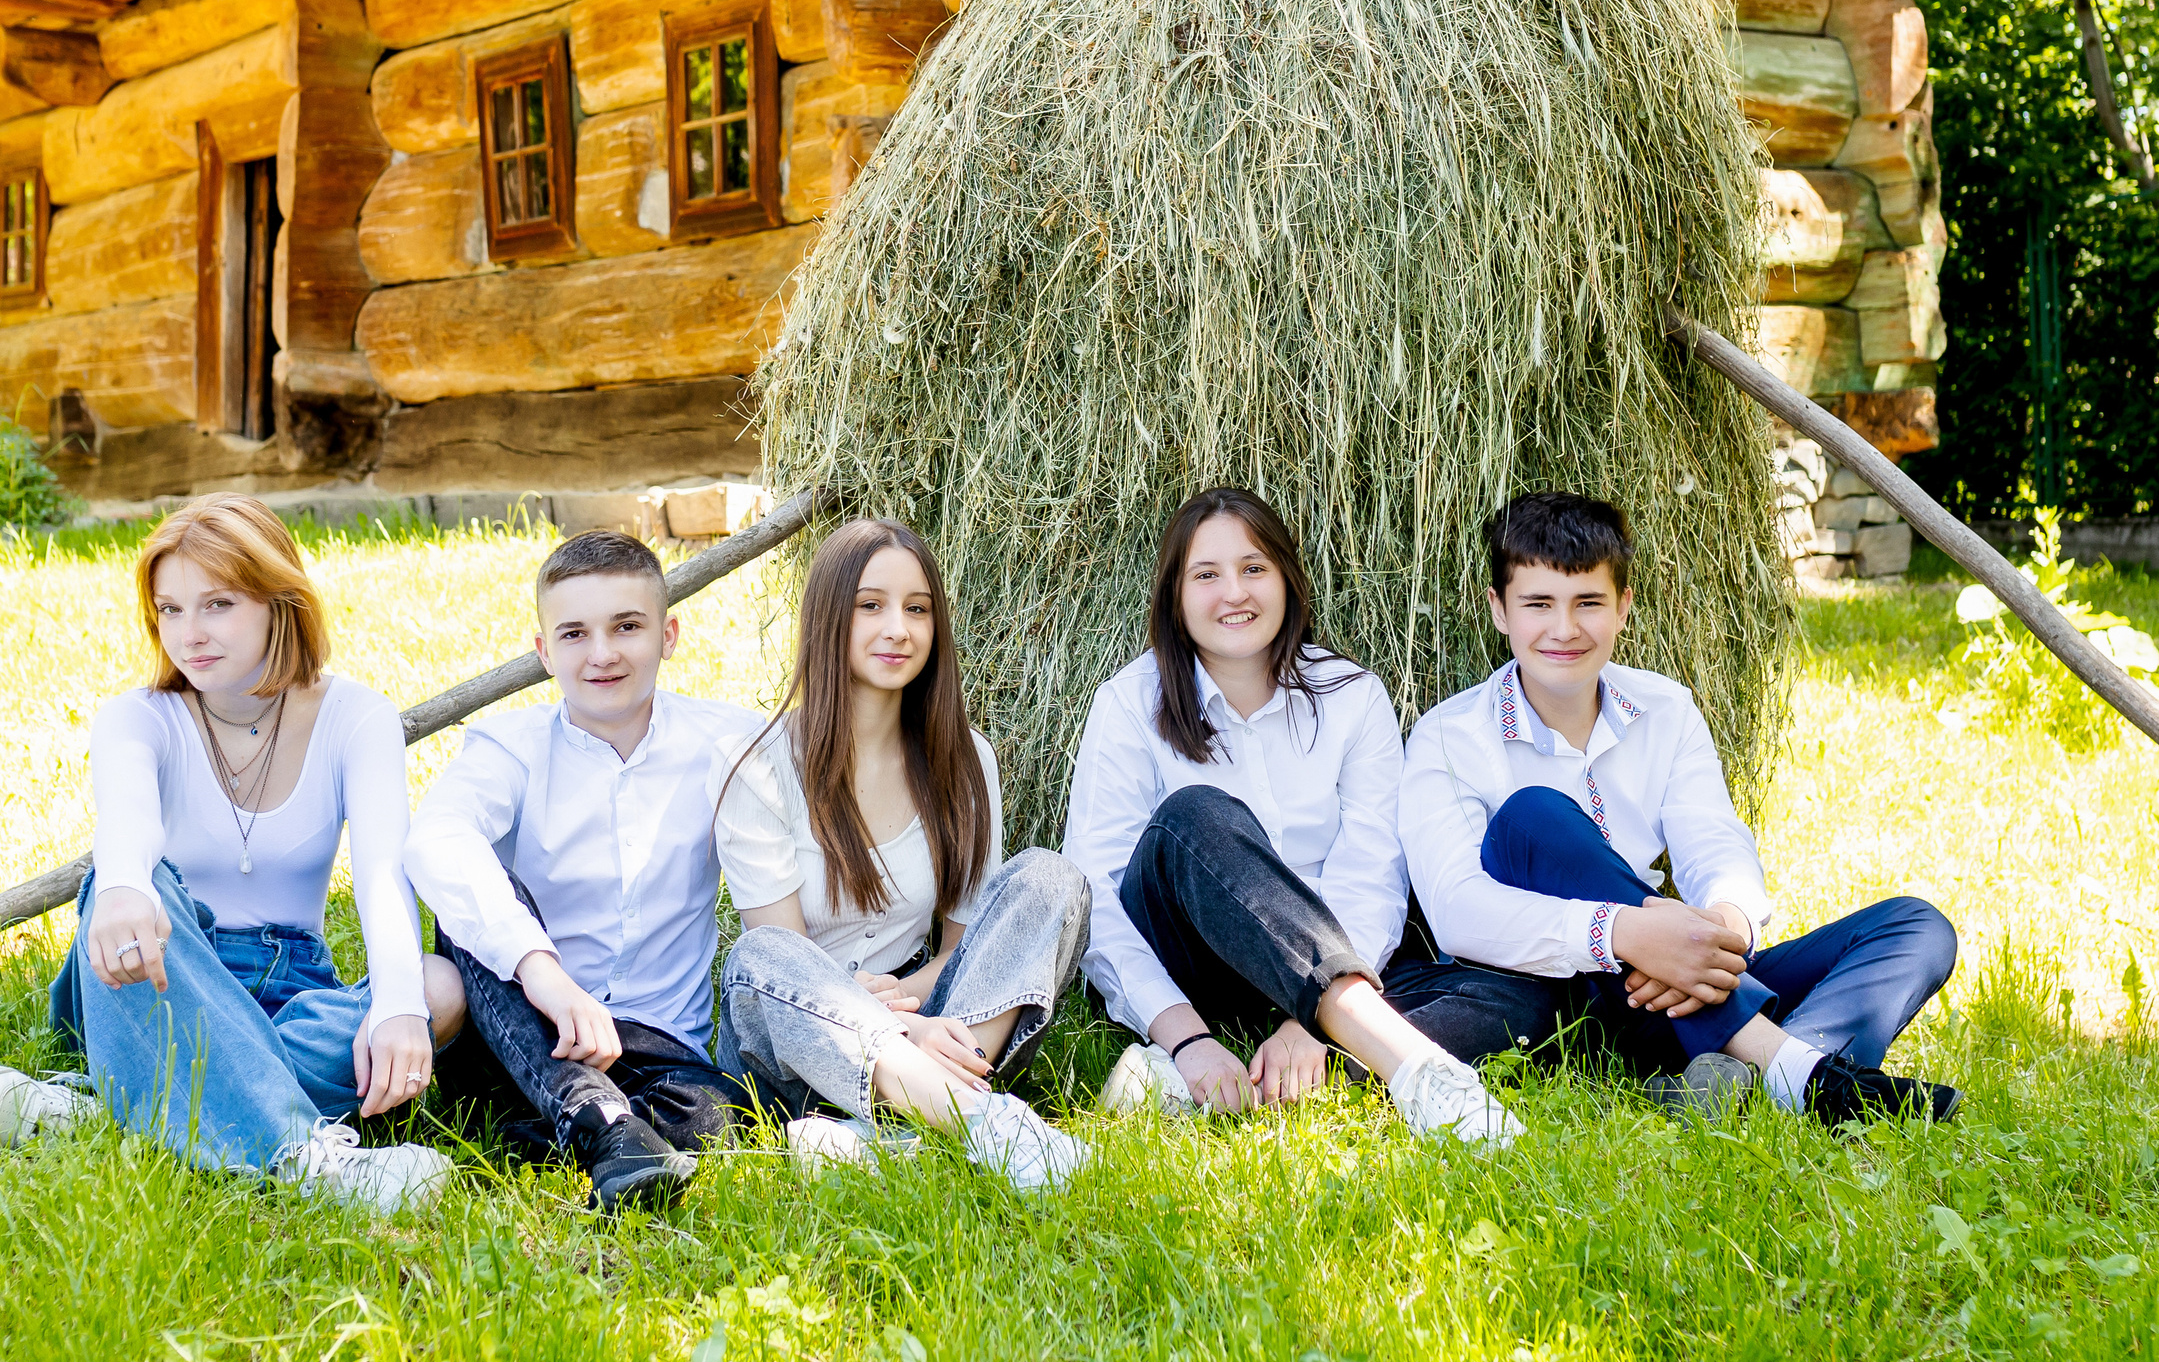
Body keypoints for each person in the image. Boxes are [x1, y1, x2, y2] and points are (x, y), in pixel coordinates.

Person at [0, 495, 461, 1214]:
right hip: (154, 973)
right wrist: (128, 883)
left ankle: (101, 1110)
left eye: (217, 604)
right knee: (126, 890)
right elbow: (127, 822)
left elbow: (383, 874)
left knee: (436, 987)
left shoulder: (359, 718)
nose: (188, 635)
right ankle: (305, 1158)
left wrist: (401, 1007)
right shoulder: (138, 718)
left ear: (277, 599)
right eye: (170, 610)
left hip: (291, 991)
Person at [1399, 490, 1961, 1124]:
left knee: (1915, 926)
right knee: (1534, 816)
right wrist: (1627, 934)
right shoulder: (1450, 737)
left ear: (1624, 608)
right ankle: (1798, 1072)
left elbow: (1715, 844)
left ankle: (1744, 1077)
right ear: (1499, 611)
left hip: (1676, 984)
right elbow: (1458, 912)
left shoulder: (1665, 709)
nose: (1564, 629)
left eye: (1589, 603)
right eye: (1538, 605)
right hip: (1558, 992)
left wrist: (1716, 933)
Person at [1062, 487, 1524, 1148]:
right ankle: (1414, 1069)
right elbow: (1096, 892)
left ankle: (1230, 1077)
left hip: (1326, 962)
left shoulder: (1351, 698)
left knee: (1514, 989)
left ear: (1286, 578)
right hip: (1195, 968)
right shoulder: (1131, 705)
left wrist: (1303, 1022)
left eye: (1254, 569)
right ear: (1175, 595)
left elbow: (1373, 874)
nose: (1235, 593)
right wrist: (1186, 1035)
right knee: (1194, 815)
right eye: (1207, 575)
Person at [711, 518, 1094, 1192]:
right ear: (829, 618)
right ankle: (981, 1122)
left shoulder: (965, 760)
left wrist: (908, 1018)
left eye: (918, 609)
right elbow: (783, 960)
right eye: (871, 606)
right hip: (800, 1035)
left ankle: (888, 1137)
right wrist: (883, 1025)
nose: (899, 629)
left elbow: (962, 952)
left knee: (1049, 877)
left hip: (925, 1011)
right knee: (756, 958)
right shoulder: (761, 765)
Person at [404, 530, 762, 1212]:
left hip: (660, 1048)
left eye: (627, 626)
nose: (601, 654)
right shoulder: (511, 748)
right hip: (521, 1031)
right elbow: (435, 839)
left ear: (669, 634)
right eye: (573, 634)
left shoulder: (729, 742)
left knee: (714, 1122)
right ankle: (599, 1119)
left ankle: (584, 1131)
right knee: (480, 900)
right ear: (544, 652)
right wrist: (544, 972)